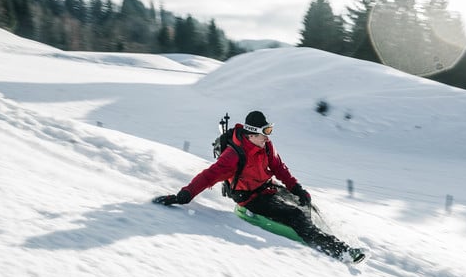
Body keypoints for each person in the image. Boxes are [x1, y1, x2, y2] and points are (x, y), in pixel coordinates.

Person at [155, 110, 365, 263]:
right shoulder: (233, 156)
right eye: (264, 134)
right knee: (296, 216)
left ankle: (324, 235)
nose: (268, 137)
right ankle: (341, 251)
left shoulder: (265, 146)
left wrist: (297, 189)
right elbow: (208, 176)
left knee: (307, 205)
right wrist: (183, 195)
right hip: (251, 199)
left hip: (268, 188)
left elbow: (279, 167)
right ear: (251, 134)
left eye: (268, 133)